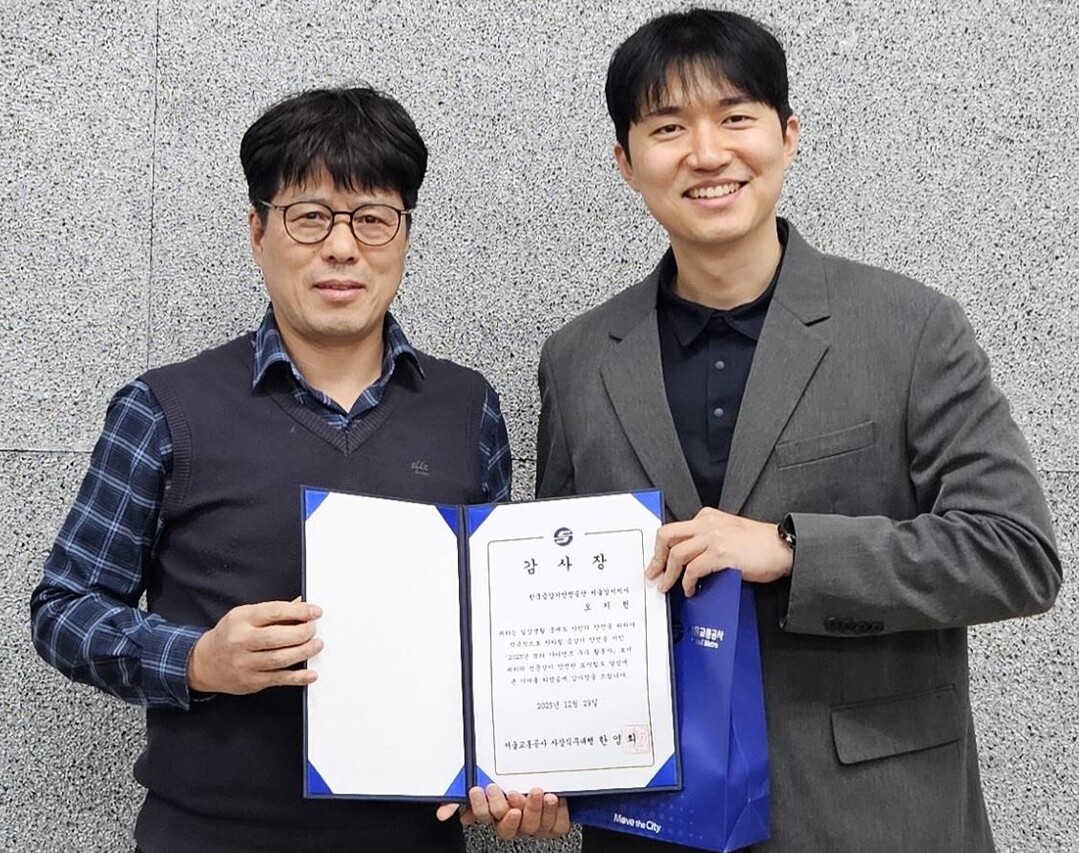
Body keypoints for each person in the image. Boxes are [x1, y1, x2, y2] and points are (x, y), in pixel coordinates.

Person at [536, 9, 1061, 852]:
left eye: (734, 117)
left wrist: (791, 549)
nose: (706, 152)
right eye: (667, 127)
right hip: (650, 823)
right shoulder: (577, 358)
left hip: (871, 818)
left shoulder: (909, 327)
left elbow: (1014, 554)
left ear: (786, 135)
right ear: (625, 161)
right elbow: (560, 594)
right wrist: (544, 759)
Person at [31, 86, 526, 853]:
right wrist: (196, 658)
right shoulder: (164, 406)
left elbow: (497, 629)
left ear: (404, 233)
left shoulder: (467, 407)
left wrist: (518, 762)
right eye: (309, 216)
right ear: (258, 230)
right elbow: (64, 608)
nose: (342, 247)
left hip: (413, 840)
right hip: (208, 838)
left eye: (372, 217)